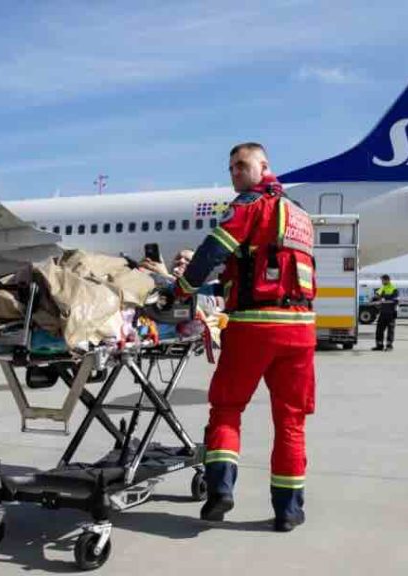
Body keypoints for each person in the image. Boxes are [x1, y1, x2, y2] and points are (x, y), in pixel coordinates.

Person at [175, 142, 316, 532]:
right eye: (232, 167)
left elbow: (210, 251)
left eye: (242, 165)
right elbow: (265, 267)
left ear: (264, 166)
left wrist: (183, 289)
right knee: (291, 422)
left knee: (226, 408)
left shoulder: (250, 205)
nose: (235, 173)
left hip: (255, 326)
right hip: (301, 329)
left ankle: (220, 491)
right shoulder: (300, 215)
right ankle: (288, 512)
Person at [371, 274, 399, 351]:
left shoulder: (394, 289)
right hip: (383, 313)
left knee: (390, 331)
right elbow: (377, 295)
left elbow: (396, 300)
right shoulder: (383, 287)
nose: (382, 282)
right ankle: (379, 345)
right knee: (379, 330)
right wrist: (373, 299)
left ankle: (389, 346)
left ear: (387, 280)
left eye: (382, 280)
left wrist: (383, 300)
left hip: (391, 313)